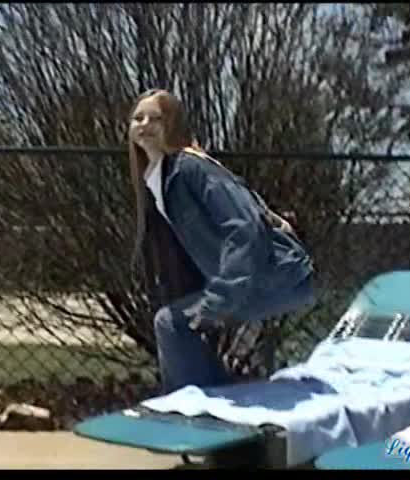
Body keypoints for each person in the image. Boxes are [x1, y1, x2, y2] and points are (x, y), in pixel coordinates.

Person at [128, 89, 316, 394]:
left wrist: (222, 295)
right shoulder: (158, 178)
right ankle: (215, 399)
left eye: (156, 118)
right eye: (138, 118)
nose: (145, 124)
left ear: (174, 125)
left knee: (172, 324)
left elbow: (244, 226)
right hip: (257, 279)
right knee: (175, 323)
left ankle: (201, 405)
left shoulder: (191, 167)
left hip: (278, 277)